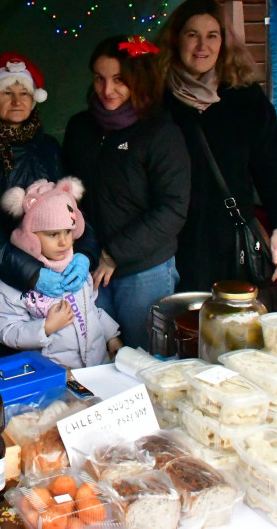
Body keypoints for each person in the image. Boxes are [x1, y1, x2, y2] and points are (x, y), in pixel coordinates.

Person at [0, 52, 97, 367]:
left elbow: (72, 209)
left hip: (50, 275)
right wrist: (31, 273)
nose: (17, 101)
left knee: (47, 367)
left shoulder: (47, 148)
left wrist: (86, 253)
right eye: (7, 92)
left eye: (24, 93)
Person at [62, 35, 190, 350]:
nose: (107, 90)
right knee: (95, 357)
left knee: (145, 359)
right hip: (89, 266)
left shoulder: (159, 132)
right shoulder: (81, 127)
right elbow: (68, 193)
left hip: (144, 270)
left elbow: (173, 208)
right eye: (99, 78)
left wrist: (115, 253)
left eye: (119, 79)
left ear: (138, 79)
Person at [156, 0, 277, 292]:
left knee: (228, 316)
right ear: (176, 39)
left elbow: (268, 167)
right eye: (192, 35)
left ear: (224, 42)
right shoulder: (156, 96)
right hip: (169, 239)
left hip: (229, 238)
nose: (202, 46)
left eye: (212, 36)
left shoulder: (246, 98)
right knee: (177, 317)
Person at [0, 178, 122, 369]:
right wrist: (45, 328)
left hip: (95, 368)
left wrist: (111, 336)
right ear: (30, 237)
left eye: (68, 232)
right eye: (52, 234)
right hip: (54, 373)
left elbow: (91, 310)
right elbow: (7, 330)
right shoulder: (14, 281)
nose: (63, 242)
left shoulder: (77, 267)